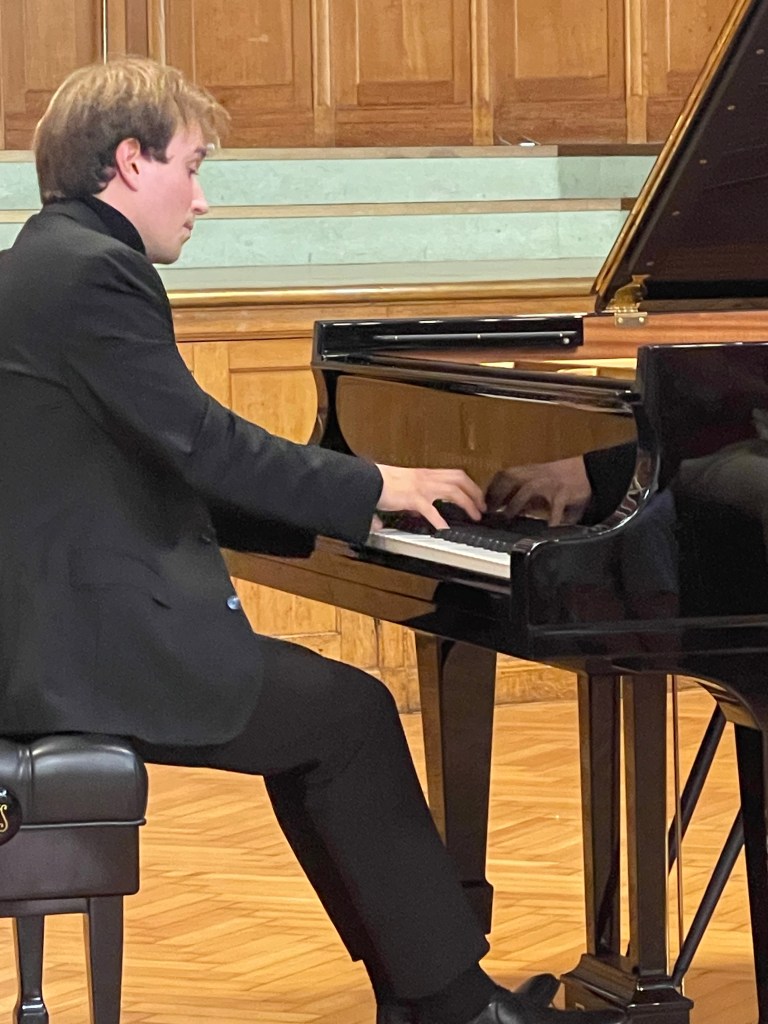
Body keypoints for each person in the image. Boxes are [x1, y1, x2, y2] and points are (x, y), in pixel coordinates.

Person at [0, 58, 626, 1024]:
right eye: (192, 167)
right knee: (347, 718)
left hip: (56, 626)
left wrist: (352, 514)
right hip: (83, 649)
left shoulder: (40, 262)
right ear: (129, 161)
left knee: (330, 723)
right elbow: (204, 444)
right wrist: (376, 486)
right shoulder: (93, 272)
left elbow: (158, 460)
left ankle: (428, 996)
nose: (202, 199)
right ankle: (454, 1006)